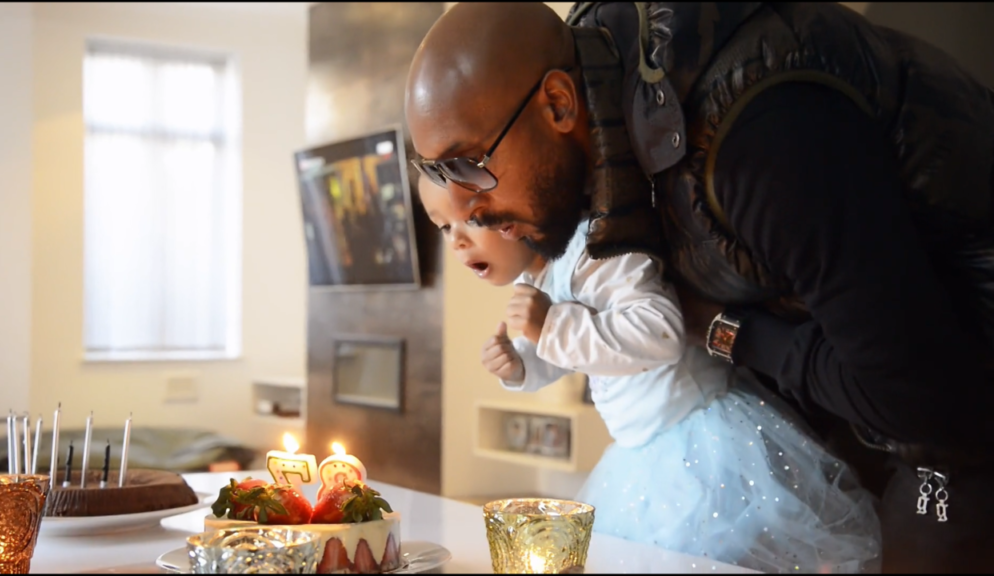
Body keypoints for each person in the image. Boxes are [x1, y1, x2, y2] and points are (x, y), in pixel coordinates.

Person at [404, 3, 994, 573]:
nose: (468, 211)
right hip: (853, 383)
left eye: (468, 165)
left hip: (954, 398)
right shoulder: (609, 102)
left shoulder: (760, 145)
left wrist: (722, 330)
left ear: (558, 103)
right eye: (440, 178)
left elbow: (923, 407)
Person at [417, 177, 881, 573]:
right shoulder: (538, 279)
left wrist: (550, 326)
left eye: (472, 218)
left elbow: (659, 332)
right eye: (443, 227)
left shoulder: (595, 248)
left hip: (702, 441)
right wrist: (522, 364)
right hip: (640, 455)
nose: (456, 240)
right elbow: (581, 350)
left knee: (717, 555)